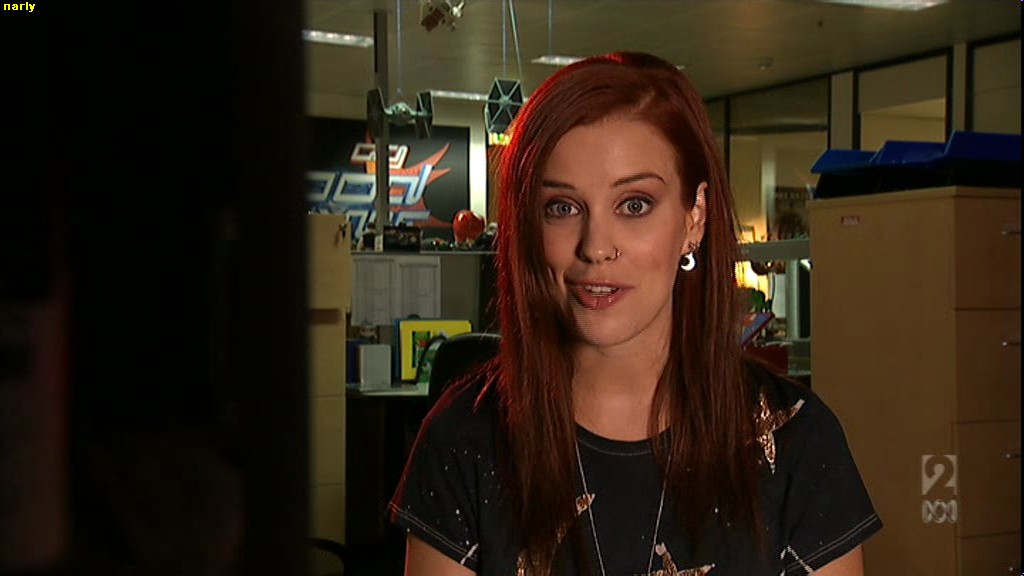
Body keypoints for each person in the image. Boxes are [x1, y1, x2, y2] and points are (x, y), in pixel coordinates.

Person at [389, 52, 881, 576]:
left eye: (635, 205)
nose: (596, 247)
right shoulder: (466, 437)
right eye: (562, 207)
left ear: (694, 218)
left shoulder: (798, 440)